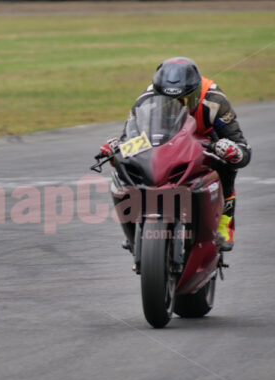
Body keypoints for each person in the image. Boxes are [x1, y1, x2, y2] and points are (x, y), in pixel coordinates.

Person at [100, 57, 252, 251]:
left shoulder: (215, 101)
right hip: (165, 140)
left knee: (227, 168)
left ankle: (224, 225)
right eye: (168, 101)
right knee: (128, 168)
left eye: (184, 101)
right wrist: (118, 149)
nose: (177, 106)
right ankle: (134, 231)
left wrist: (233, 153)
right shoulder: (145, 100)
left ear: (196, 94)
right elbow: (133, 139)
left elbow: (243, 148)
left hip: (204, 141)